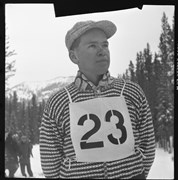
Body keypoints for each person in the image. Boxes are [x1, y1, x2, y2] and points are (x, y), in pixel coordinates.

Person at [40, 20, 156, 179]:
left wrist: (136, 172)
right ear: (74, 56)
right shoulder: (59, 101)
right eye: (93, 46)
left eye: (105, 45)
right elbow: (50, 161)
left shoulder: (131, 92)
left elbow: (147, 145)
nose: (102, 51)